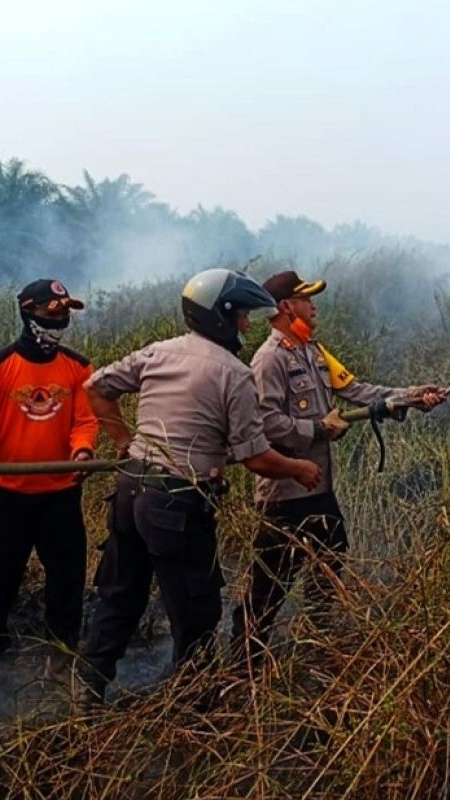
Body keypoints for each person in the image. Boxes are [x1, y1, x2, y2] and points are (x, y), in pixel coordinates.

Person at [79, 268, 322, 702]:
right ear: (221, 316)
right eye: (243, 316)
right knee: (196, 609)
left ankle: (88, 693)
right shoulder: (235, 373)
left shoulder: (159, 352)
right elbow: (256, 458)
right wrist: (299, 468)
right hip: (176, 502)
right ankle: (194, 709)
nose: (248, 325)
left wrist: (123, 441)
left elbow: (96, 388)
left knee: (119, 598)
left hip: (130, 488)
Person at [230, 270, 445, 661]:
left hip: (319, 488)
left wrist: (413, 396)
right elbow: (265, 423)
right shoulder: (269, 359)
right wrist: (316, 429)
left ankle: (318, 643)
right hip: (284, 491)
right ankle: (243, 664)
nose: (314, 306)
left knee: (331, 558)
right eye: (306, 299)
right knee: (270, 582)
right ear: (284, 307)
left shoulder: (313, 352)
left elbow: (358, 390)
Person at [0, 278, 98, 710]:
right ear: (29, 312)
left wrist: (83, 450)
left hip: (60, 493)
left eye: (64, 313)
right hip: (8, 495)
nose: (59, 321)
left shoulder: (77, 367)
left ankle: (60, 662)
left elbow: (84, 421)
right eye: (52, 313)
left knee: (67, 581)